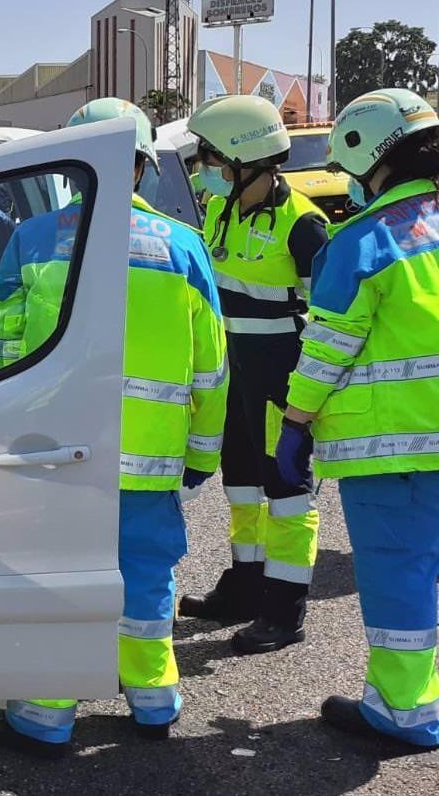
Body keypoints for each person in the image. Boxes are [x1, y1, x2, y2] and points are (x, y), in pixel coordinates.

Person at [0, 98, 227, 756]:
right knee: (146, 575)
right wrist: (201, 457)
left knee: (59, 575)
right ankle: (153, 698)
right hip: (151, 456)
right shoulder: (184, 247)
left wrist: (0, 429)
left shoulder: (33, 239)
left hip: (58, 455)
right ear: (142, 167)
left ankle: (45, 715)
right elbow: (211, 370)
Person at [276, 88, 439, 750]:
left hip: (394, 449)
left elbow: (325, 352)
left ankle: (403, 713)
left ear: (365, 155)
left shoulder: (364, 242)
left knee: (401, 574)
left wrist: (294, 426)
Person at [178, 95, 329, 655]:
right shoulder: (219, 211)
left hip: (279, 380)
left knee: (286, 492)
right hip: (235, 374)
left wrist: (306, 404)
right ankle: (245, 583)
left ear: (248, 161)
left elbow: (328, 323)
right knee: (240, 482)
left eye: (218, 164)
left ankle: (284, 609)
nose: (211, 175)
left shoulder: (304, 227)